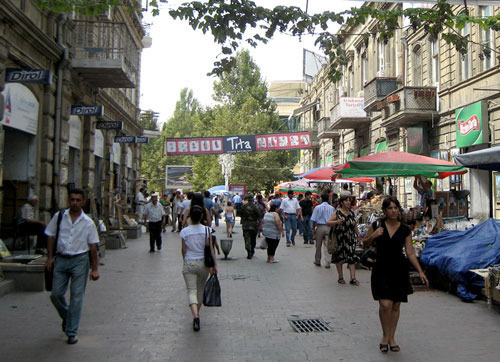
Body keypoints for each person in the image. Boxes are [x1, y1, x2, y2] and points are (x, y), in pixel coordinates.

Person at [363, 197, 429, 353]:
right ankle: (385, 335)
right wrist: (373, 236)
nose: (393, 210)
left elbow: (410, 252)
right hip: (381, 268)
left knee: (395, 305)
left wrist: (420, 271)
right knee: (385, 304)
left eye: (395, 208)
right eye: (390, 208)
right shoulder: (377, 225)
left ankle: (391, 337)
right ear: (385, 211)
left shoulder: (405, 229)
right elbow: (364, 242)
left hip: (399, 269)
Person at [44, 188, 100, 345]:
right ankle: (69, 317)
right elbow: (50, 235)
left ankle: (71, 332)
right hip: (61, 260)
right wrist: (49, 258)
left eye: (77, 200)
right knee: (55, 294)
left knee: (76, 297)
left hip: (80, 261)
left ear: (82, 202)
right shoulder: (60, 216)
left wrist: (95, 269)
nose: (74, 202)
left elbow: (93, 247)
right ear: (69, 201)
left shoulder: (88, 223)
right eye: (72, 199)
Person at [180, 205, 217, 332]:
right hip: (204, 264)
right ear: (202, 216)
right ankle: (197, 314)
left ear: (190, 217)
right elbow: (211, 250)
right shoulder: (207, 230)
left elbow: (183, 250)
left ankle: (195, 315)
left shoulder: (185, 231)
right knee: (200, 290)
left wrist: (186, 261)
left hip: (189, 263)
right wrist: (214, 265)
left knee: (191, 290)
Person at [329, 195, 360, 284]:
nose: (348, 202)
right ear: (342, 203)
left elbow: (354, 225)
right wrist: (336, 222)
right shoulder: (337, 212)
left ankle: (353, 278)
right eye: (346, 201)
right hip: (340, 238)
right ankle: (340, 277)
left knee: (351, 257)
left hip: (350, 238)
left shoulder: (352, 213)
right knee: (339, 257)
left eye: (349, 201)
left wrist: (358, 236)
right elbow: (328, 222)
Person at [311, 193, 335, 268]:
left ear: (321, 199)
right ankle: (327, 262)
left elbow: (314, 219)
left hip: (320, 227)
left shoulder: (317, 207)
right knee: (328, 245)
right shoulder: (332, 208)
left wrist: (313, 229)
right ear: (328, 199)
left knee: (318, 245)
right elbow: (334, 219)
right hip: (329, 227)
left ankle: (317, 260)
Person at [239, 194, 262, 259]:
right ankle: (252, 249)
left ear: (247, 200)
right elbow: (259, 216)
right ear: (252, 199)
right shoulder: (256, 207)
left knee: (246, 239)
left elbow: (241, 215)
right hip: (254, 225)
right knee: (253, 239)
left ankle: (248, 251)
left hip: (246, 225)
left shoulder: (243, 207)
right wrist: (260, 225)